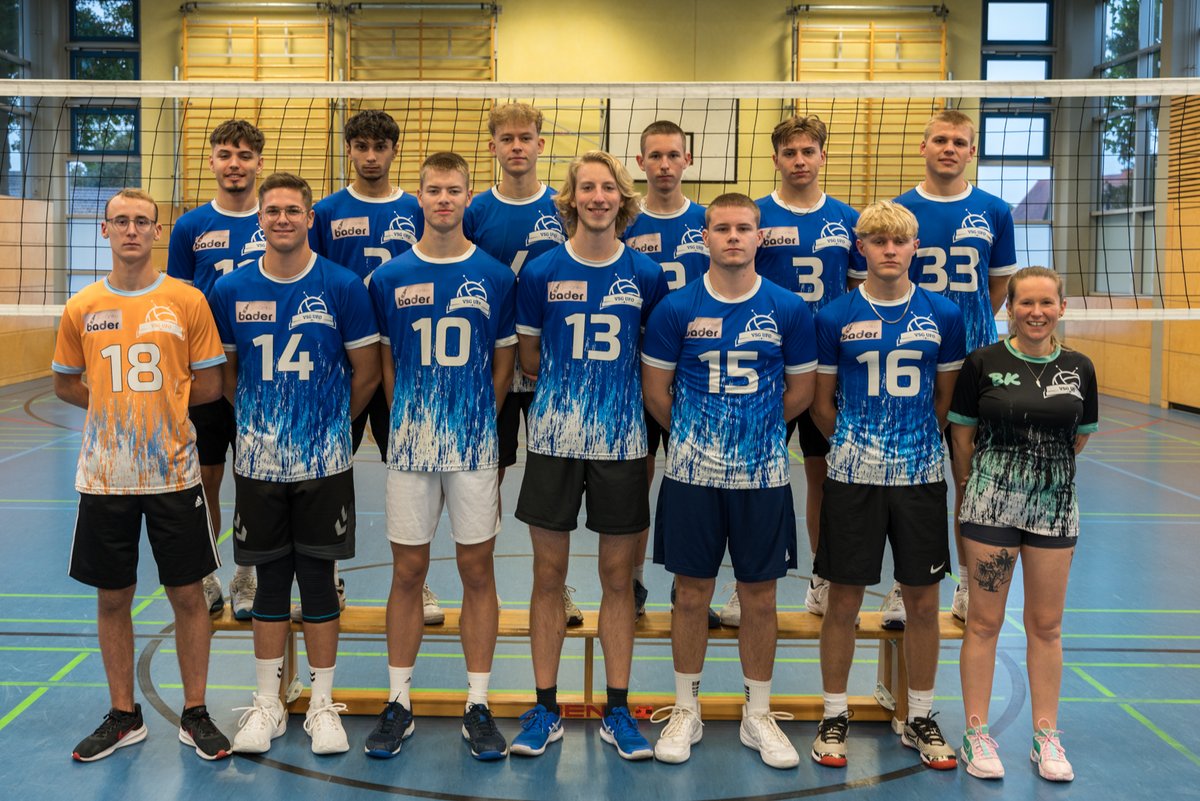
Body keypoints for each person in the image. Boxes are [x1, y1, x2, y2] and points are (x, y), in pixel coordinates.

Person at [54, 188, 231, 762]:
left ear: (158, 231)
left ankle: (195, 712)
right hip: (105, 477)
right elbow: (65, 382)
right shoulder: (82, 305)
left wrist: (160, 411)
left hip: (174, 474)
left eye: (142, 222)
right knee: (113, 597)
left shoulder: (186, 300)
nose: (131, 230)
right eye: (121, 221)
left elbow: (210, 384)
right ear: (104, 230)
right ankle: (123, 715)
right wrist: (115, 409)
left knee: (188, 595)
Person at [209, 172, 381, 755]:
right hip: (259, 461)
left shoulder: (342, 285)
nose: (282, 219)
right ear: (259, 219)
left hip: (323, 460)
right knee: (269, 583)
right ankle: (268, 704)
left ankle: (323, 703)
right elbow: (227, 375)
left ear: (310, 218)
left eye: (292, 210)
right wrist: (259, 421)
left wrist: (327, 426)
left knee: (319, 581)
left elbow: (367, 373)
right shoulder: (231, 289)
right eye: (272, 211)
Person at [642, 193, 816, 767]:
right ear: (705, 238)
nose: (734, 237)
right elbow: (656, 393)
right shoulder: (675, 308)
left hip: (762, 475)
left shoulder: (788, 308)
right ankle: (685, 708)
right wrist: (701, 437)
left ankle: (757, 713)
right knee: (691, 594)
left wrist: (752, 434)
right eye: (722, 228)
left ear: (759, 236)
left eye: (744, 228)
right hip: (692, 474)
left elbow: (802, 392)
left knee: (759, 597)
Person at [511, 151, 669, 760]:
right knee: (547, 576)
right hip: (554, 438)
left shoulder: (645, 274)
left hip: (622, 442)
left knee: (617, 579)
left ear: (622, 199)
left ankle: (618, 710)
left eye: (608, 188)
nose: (598, 197)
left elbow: (654, 359)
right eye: (587, 187)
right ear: (571, 198)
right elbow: (529, 359)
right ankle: (545, 708)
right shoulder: (541, 272)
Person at [364, 152, 517, 761]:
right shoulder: (389, 278)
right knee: (407, 572)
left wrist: (475, 418)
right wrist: (411, 423)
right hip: (410, 445)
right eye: (434, 190)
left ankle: (477, 703)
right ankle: (398, 701)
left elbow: (504, 362)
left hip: (474, 445)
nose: (445, 199)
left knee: (478, 570)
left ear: (468, 196)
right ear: (420, 197)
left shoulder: (495, 276)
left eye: (455, 190)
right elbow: (385, 362)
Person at [810, 200, 964, 772]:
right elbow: (822, 406)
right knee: (844, 601)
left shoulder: (943, 313)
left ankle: (919, 715)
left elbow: (944, 400)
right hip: (853, 477)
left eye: (899, 241)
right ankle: (833, 714)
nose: (890, 250)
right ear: (862, 249)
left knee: (923, 602)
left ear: (915, 247)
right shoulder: (835, 316)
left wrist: (911, 443)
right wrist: (858, 445)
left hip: (919, 476)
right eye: (878, 241)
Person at [949, 266, 1096, 782]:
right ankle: (975, 733)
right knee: (984, 623)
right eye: (1025, 303)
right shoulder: (983, 362)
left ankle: (1045, 736)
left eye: (1046, 303)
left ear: (1062, 308)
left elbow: (1079, 438)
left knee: (1047, 626)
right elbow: (962, 439)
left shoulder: (1079, 367)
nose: (1036, 312)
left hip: (1054, 510)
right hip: (990, 507)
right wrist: (985, 486)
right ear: (1009, 308)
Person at [721, 115, 865, 626]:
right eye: (790, 153)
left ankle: (822, 578)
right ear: (776, 159)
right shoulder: (754, 216)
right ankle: (743, 586)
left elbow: (858, 294)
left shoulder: (848, 219)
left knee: (825, 478)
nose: (800, 161)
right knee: (750, 477)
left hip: (826, 367)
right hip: (765, 366)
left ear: (823, 156)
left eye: (808, 151)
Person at [306, 109, 440, 622]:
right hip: (341, 364)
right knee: (329, 472)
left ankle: (418, 583)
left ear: (393, 151)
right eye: (360, 146)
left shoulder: (416, 207)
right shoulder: (325, 212)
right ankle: (329, 577)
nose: (369, 156)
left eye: (379, 147)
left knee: (410, 474)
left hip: (403, 360)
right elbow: (312, 277)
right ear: (348, 149)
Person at [892, 109, 1019, 625]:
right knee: (904, 481)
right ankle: (903, 584)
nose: (949, 148)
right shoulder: (899, 210)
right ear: (923, 147)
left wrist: (969, 329)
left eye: (959, 142)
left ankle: (967, 582)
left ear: (972, 151)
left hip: (973, 364)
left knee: (969, 476)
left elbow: (998, 285)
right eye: (940, 140)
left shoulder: (995, 210)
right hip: (912, 360)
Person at [463, 104, 582, 626]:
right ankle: (480, 586)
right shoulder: (474, 210)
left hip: (549, 364)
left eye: (526, 138)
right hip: (490, 364)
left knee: (552, 481)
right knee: (485, 476)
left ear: (540, 144)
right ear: (492, 146)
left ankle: (557, 589)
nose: (517, 146)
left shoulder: (563, 208)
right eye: (507, 138)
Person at [167, 119, 267, 620]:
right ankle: (207, 572)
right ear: (211, 161)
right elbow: (177, 303)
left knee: (253, 481)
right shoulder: (190, 227)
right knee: (205, 480)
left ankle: (246, 574)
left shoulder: (273, 218)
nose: (235, 164)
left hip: (261, 371)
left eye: (245, 155)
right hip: (205, 375)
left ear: (259, 163)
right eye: (226, 154)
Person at [622, 120, 712, 622]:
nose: (664, 165)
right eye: (654, 156)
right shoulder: (624, 221)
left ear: (687, 160)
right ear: (640, 163)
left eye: (673, 155)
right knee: (636, 482)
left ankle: (686, 585)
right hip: (637, 372)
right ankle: (633, 582)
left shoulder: (708, 221)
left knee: (693, 487)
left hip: (698, 375)